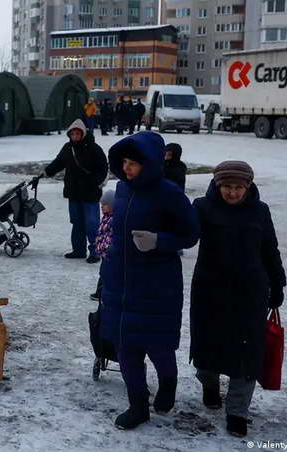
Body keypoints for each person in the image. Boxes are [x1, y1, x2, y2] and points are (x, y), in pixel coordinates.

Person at [100, 131, 199, 430]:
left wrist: (159, 241)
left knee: (158, 347)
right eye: (125, 162)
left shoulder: (170, 193)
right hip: (121, 280)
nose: (128, 168)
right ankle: (138, 406)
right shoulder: (121, 189)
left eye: (134, 163)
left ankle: (167, 383)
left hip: (157, 284)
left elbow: (190, 234)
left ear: (152, 163)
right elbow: (115, 231)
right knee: (125, 349)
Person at [190, 161, 285, 438]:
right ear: (218, 186)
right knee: (207, 349)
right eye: (227, 187)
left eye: (239, 187)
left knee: (247, 354)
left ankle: (237, 411)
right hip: (210, 290)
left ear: (248, 187)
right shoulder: (202, 208)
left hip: (250, 292)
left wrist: (278, 284)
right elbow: (184, 234)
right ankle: (209, 385)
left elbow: (270, 249)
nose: (233, 193)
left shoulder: (260, 211)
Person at [31, 119, 107, 263]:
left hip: (90, 193)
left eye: (78, 133)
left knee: (92, 224)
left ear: (83, 133)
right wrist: (43, 175)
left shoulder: (94, 148)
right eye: (73, 133)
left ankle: (95, 252)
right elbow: (58, 163)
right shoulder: (68, 148)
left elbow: (103, 169)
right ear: (69, 134)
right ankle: (79, 250)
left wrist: (94, 182)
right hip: (74, 192)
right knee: (77, 222)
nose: (75, 136)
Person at [90, 189, 114, 301]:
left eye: (105, 205)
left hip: (108, 253)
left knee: (106, 274)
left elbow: (110, 236)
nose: (102, 207)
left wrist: (105, 247)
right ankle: (99, 293)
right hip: (103, 252)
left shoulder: (113, 219)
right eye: (101, 204)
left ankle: (101, 293)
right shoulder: (106, 217)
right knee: (103, 273)